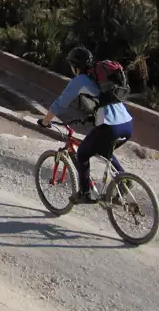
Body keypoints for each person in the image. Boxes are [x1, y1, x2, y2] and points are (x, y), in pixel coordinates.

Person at [37, 46, 133, 204]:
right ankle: (123, 180)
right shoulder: (100, 80)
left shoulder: (80, 80)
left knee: (82, 153)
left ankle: (85, 193)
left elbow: (60, 104)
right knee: (104, 149)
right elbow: (101, 102)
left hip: (110, 126)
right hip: (127, 123)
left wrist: (45, 121)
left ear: (75, 66)